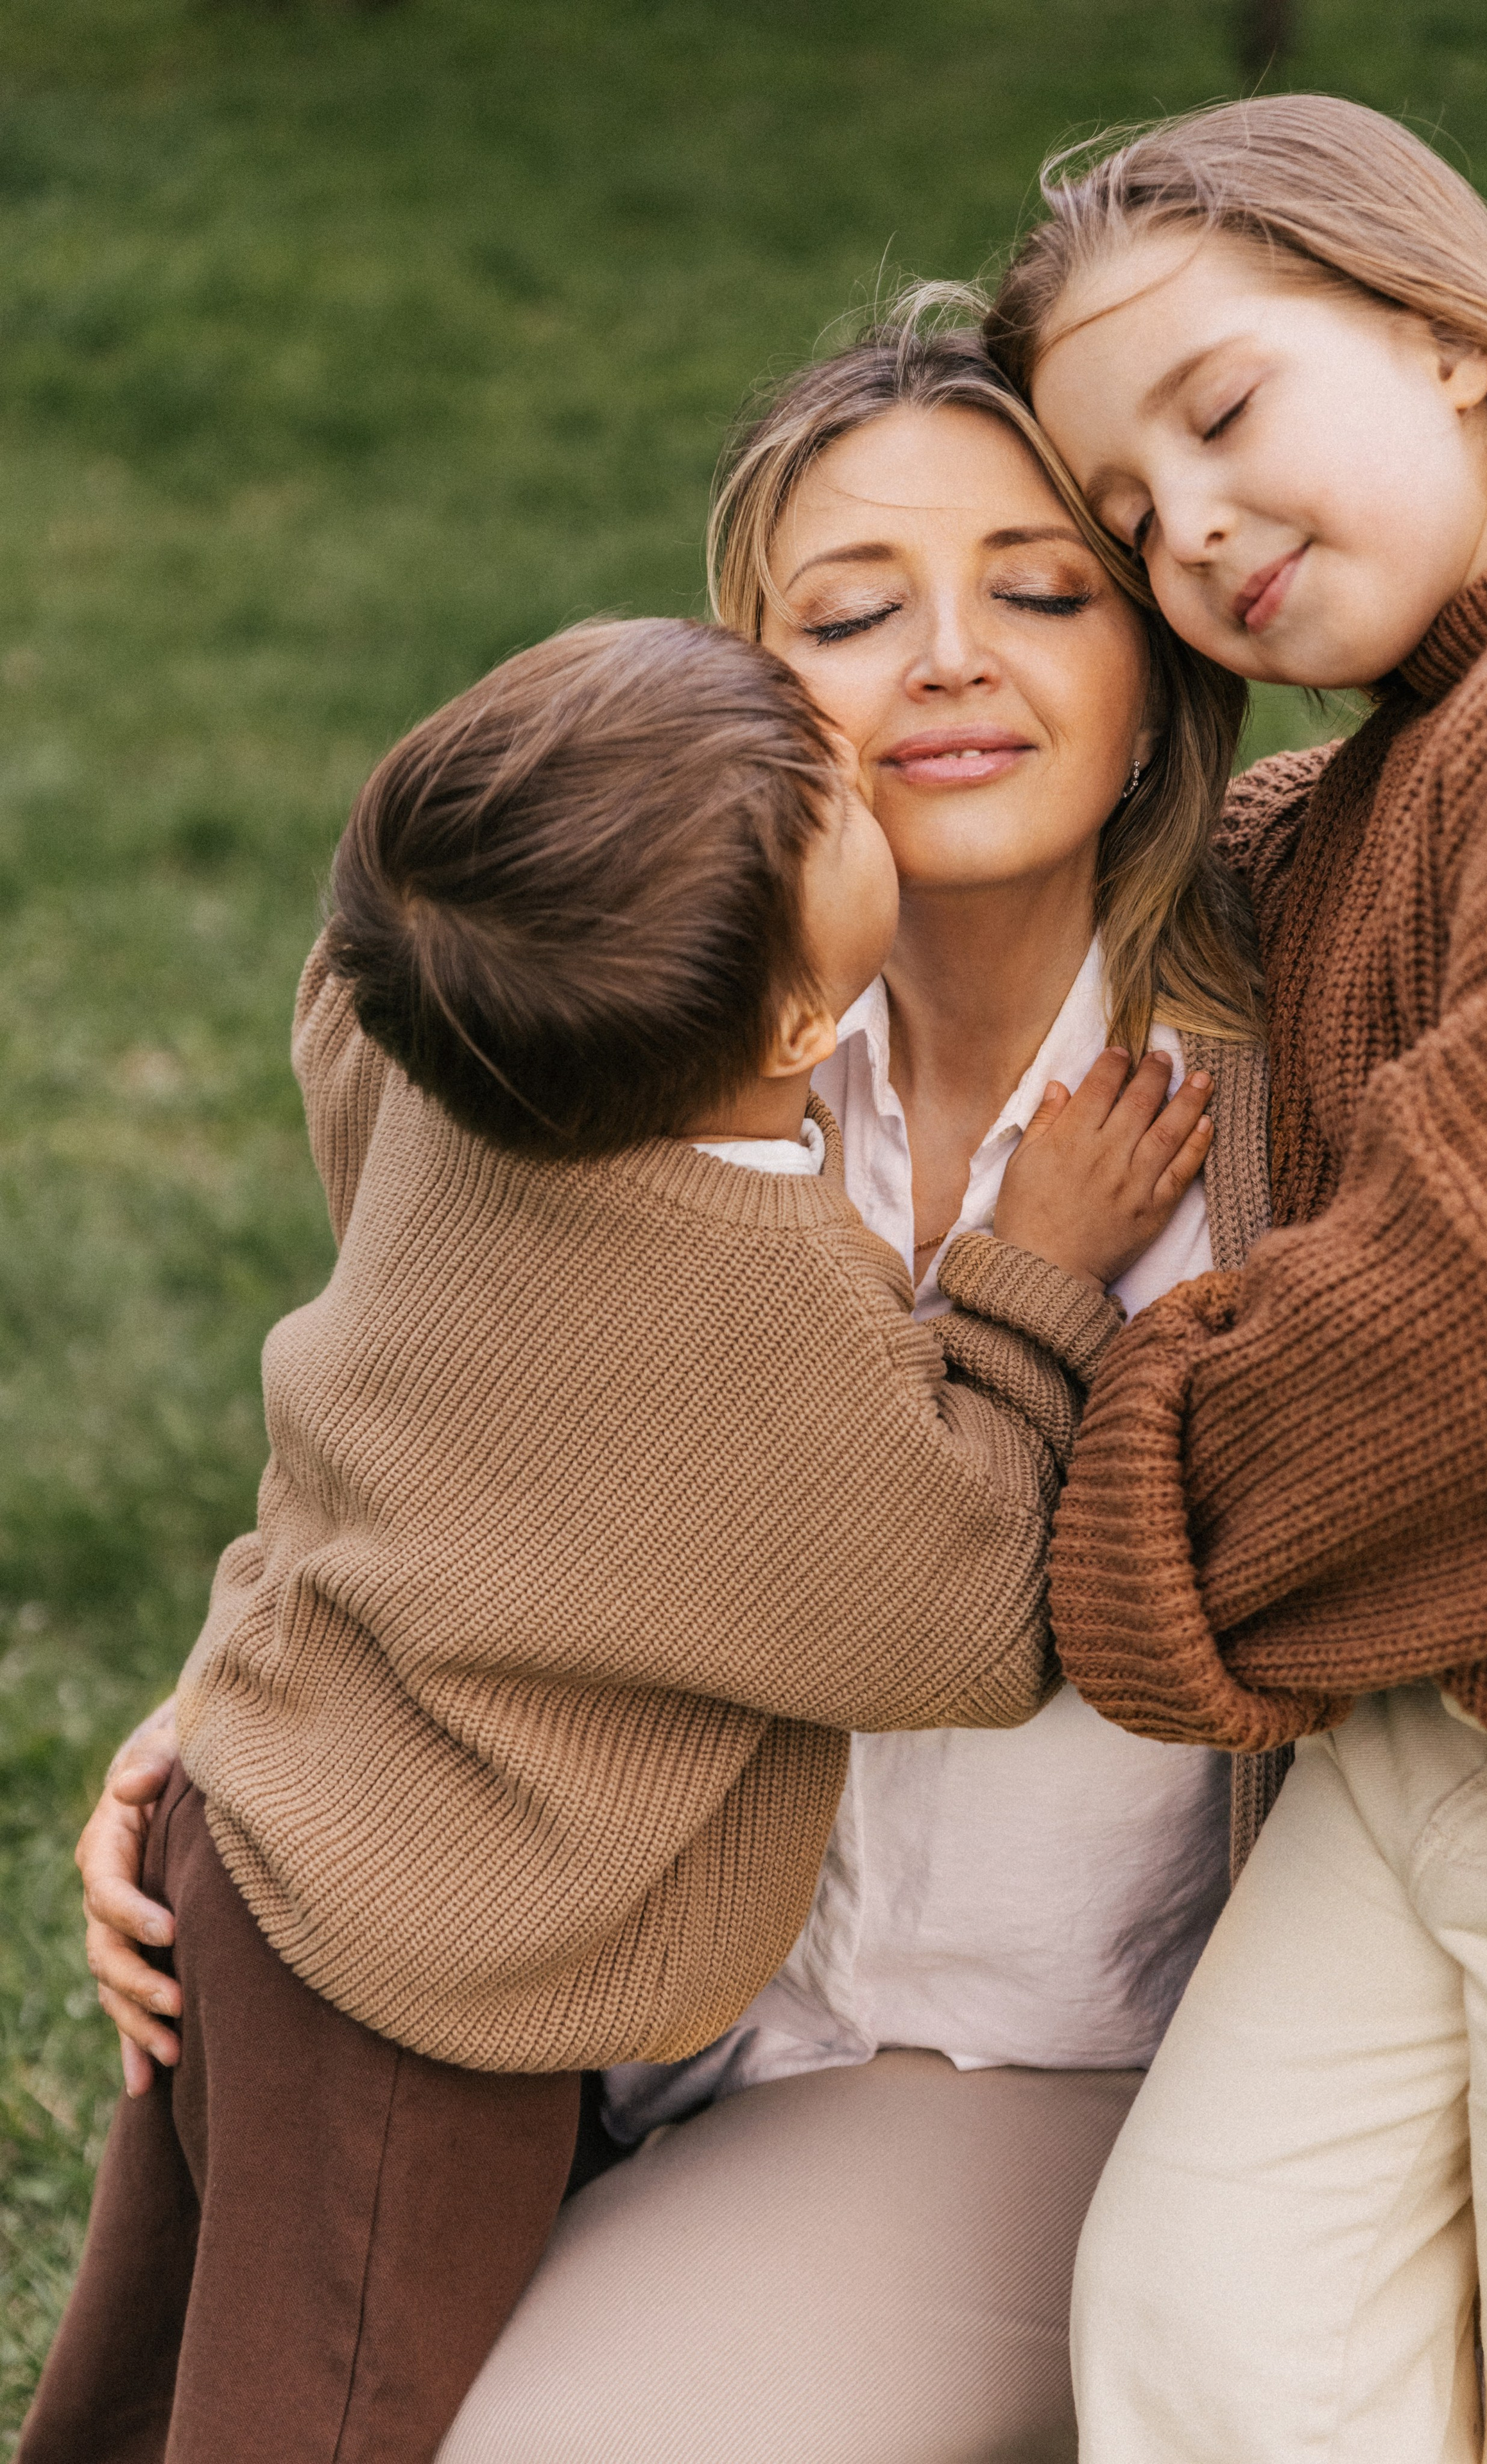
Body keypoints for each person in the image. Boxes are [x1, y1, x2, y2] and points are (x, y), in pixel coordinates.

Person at [74, 322, 1275, 2463]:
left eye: (1037, 585)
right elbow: (423, 1419)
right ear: (732, 682)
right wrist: (218, 1709)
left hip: (993, 2059)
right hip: (559, 2008)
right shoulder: (600, 1031)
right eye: (847, 609)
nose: (945, 658)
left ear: (1161, 647)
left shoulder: (1268, 1094)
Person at [985, 90, 1487, 2463]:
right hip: (1435, 1729)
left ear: (1446, 335)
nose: (1201, 529)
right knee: (1213, 2335)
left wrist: (1112, 1491)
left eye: (1229, 410)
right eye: (1131, 523)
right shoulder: (1363, 795)